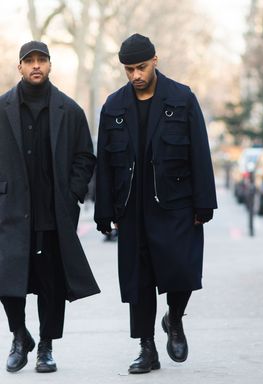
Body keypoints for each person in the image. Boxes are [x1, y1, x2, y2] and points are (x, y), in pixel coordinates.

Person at [94, 33, 217, 374]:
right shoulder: (113, 106)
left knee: (183, 269)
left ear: (155, 61)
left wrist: (203, 203)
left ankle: (174, 318)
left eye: (141, 67)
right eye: (129, 69)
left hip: (176, 202)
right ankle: (146, 347)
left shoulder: (182, 98)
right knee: (139, 280)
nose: (136, 75)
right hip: (132, 207)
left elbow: (199, 153)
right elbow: (104, 162)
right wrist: (104, 209)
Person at [0, 41, 100, 373]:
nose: (36, 66)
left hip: (52, 212)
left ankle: (45, 346)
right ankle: (19, 336)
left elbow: (85, 156)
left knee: (51, 284)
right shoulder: (2, 108)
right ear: (20, 67)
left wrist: (71, 195)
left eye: (41, 60)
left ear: (50, 65)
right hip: (10, 210)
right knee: (6, 278)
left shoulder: (69, 111)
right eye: (29, 61)